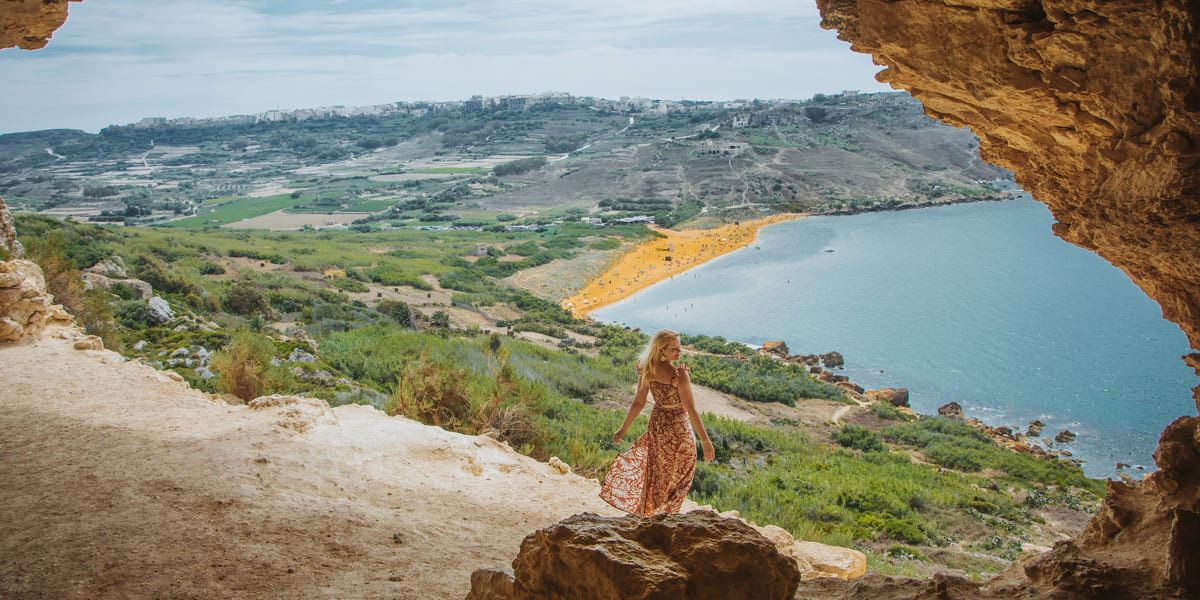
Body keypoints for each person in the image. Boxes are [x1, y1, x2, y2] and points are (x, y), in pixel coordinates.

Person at [599, 329, 715, 516]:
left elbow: (639, 402)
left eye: (679, 348)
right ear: (661, 350)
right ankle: (665, 516)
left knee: (657, 474)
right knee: (681, 477)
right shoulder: (679, 375)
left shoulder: (646, 368)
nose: (679, 352)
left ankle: (649, 514)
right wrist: (706, 442)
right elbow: (691, 410)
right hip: (678, 428)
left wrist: (623, 429)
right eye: (674, 349)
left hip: (658, 425)